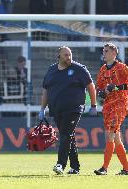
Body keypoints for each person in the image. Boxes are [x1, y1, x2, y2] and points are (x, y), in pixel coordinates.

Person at [39, 46, 97, 175]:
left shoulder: (79, 69)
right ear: (58, 56)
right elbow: (45, 91)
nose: (69, 57)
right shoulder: (51, 70)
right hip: (56, 109)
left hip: (73, 109)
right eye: (65, 55)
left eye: (70, 54)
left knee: (65, 134)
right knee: (68, 136)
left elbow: (91, 86)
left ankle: (60, 164)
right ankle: (75, 167)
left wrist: (93, 105)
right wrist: (42, 109)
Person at [94, 43, 128, 176]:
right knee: (116, 138)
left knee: (109, 135)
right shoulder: (103, 69)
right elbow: (99, 87)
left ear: (114, 53)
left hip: (119, 105)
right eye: (103, 51)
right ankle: (127, 169)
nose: (104, 53)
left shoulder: (122, 68)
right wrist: (102, 92)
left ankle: (104, 168)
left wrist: (117, 88)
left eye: (107, 51)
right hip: (108, 106)